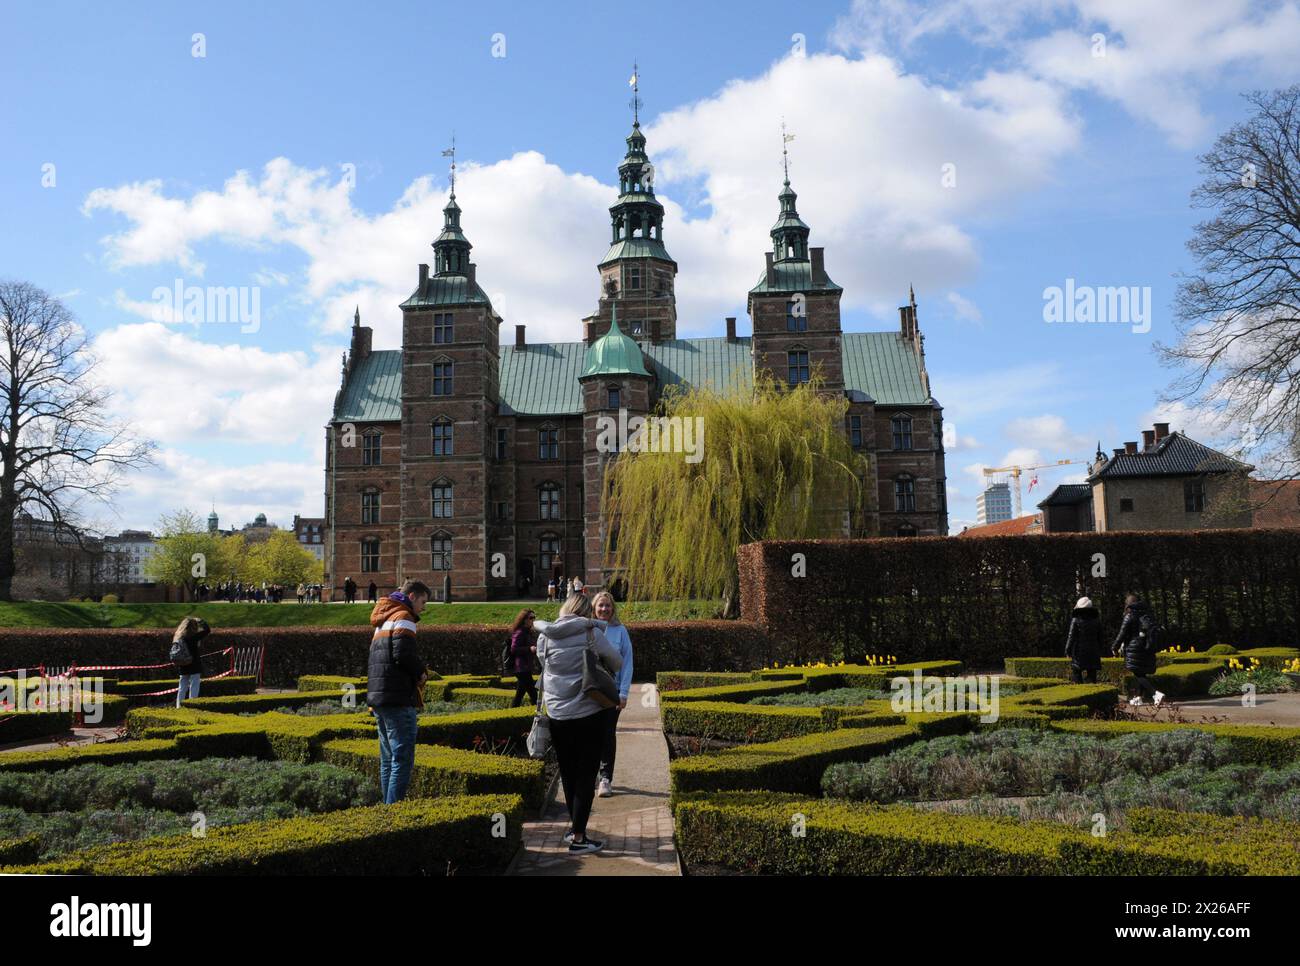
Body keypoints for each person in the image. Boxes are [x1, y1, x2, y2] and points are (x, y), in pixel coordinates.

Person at [535, 593, 622, 855]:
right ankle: (580, 839)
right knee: (586, 776)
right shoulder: (590, 634)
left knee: (568, 773)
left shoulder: (544, 637)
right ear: (586, 612)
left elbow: (544, 666)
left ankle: (574, 829)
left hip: (558, 715)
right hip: (588, 713)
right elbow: (616, 661)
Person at [366, 579, 431, 803]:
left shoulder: (382, 620)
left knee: (387, 760)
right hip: (398, 697)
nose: (424, 608)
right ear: (411, 597)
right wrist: (422, 672)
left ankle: (387, 810)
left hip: (380, 697)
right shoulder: (404, 617)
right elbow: (403, 655)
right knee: (402, 759)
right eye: (423, 602)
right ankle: (394, 814)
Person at [592, 590, 632, 798]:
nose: (604, 609)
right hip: (590, 692)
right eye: (601, 605)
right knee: (591, 734)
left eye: (607, 605)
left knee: (607, 734)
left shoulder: (620, 631)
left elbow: (627, 664)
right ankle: (591, 774)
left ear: (613, 608)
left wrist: (623, 693)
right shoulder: (587, 629)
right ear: (594, 608)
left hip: (612, 691)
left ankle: (606, 778)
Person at [1113, 592, 1165, 706]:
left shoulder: (1129, 615)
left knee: (1138, 673)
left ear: (1128, 604)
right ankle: (1138, 698)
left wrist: (1115, 647)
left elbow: (1122, 634)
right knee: (1142, 672)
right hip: (1147, 647)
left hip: (1135, 648)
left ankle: (1155, 693)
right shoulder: (1147, 614)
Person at [173, 616, 210, 708]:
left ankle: (179, 706)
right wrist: (200, 620)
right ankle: (192, 706)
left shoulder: (178, 637)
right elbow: (207, 630)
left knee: (182, 687)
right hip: (194, 665)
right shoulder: (194, 637)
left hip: (183, 664)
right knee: (194, 686)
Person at [1064, 596, 1103, 684]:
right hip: (1093, 651)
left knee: (1077, 672)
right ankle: (1092, 694)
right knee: (1092, 674)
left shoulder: (1076, 620)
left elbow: (1071, 636)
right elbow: (1100, 637)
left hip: (1079, 652)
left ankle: (1080, 693)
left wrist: (1067, 650)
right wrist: (1100, 649)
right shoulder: (1096, 620)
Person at [508, 608, 539, 707]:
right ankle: (537, 717)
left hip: (525, 667)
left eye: (534, 617)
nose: (533, 620)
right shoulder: (520, 632)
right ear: (524, 619)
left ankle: (511, 714)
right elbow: (514, 649)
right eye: (531, 618)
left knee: (519, 694)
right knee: (534, 695)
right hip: (521, 668)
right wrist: (529, 649)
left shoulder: (527, 631)